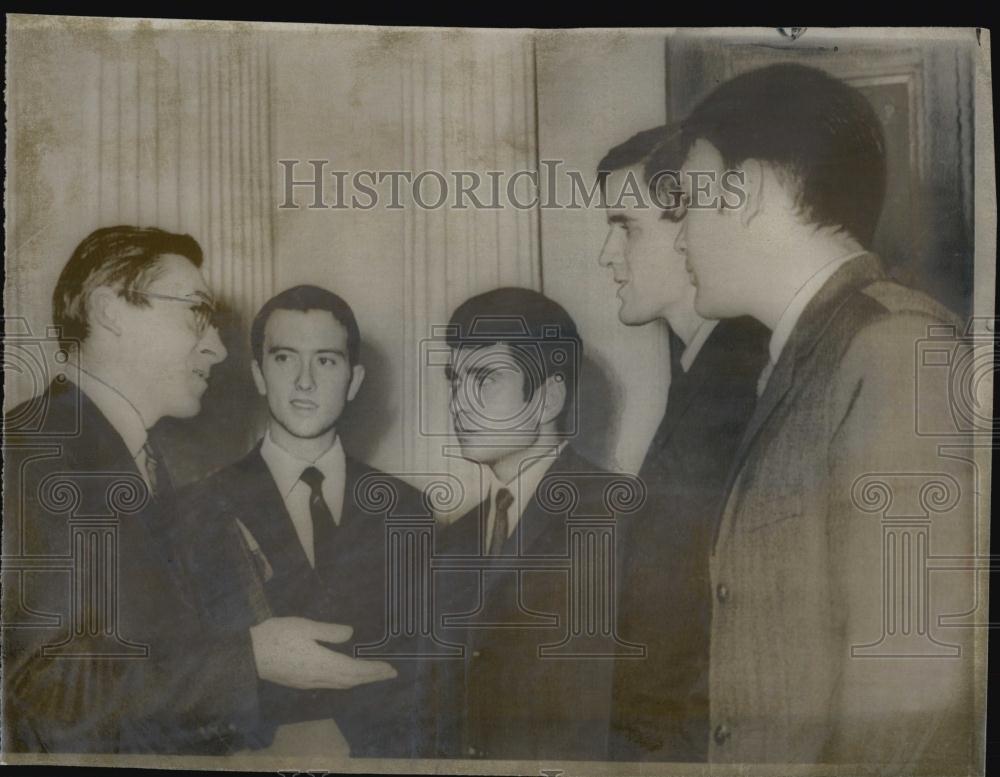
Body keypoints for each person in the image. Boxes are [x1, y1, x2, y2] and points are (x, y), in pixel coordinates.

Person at [675, 63, 976, 770]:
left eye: (686, 200)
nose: (680, 235)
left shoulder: (896, 346)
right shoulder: (812, 351)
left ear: (743, 191)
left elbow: (910, 698)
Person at [2, 227, 394, 754]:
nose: (216, 345)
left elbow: (151, 671)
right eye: (196, 312)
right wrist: (251, 658)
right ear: (108, 310)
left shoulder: (141, 463)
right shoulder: (33, 454)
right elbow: (52, 704)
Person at [180, 284, 424, 757]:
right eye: (286, 359)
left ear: (354, 381)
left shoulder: (405, 508)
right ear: (258, 374)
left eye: (326, 361)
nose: (305, 382)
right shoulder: (196, 509)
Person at [595, 125, 768, 761]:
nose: (607, 254)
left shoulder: (742, 379)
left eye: (627, 226)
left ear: (690, 228)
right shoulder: (700, 365)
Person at [426, 287, 639, 761]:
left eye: (484, 379)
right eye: (454, 380)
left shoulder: (616, 516)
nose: (459, 402)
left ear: (548, 397)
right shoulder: (454, 537)